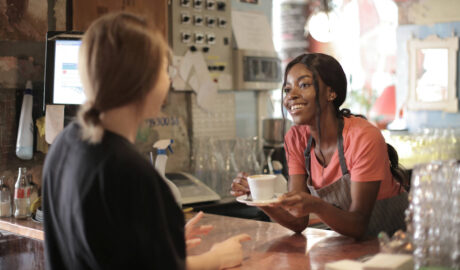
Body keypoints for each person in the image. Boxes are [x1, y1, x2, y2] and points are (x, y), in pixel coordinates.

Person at [42, 12, 250, 270]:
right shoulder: (131, 171)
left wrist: (160, 240)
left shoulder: (64, 143)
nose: (169, 80)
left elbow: (110, 249)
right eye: (165, 70)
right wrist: (217, 258)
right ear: (143, 81)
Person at [231, 53, 408, 239]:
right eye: (287, 89)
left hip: (395, 246)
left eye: (304, 85)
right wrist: (259, 197)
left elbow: (358, 224)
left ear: (331, 93)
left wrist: (316, 205)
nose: (291, 96)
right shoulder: (296, 138)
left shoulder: (362, 137)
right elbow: (298, 221)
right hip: (349, 246)